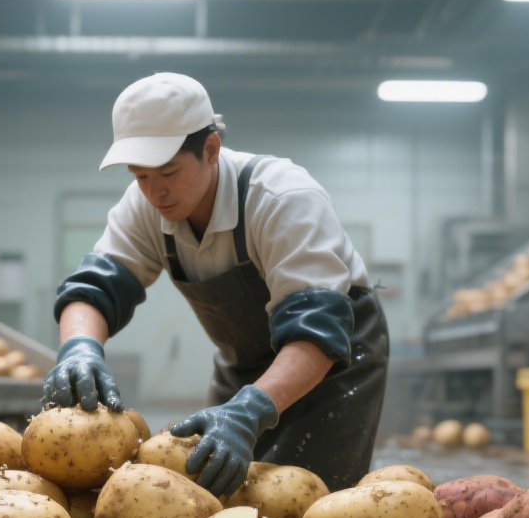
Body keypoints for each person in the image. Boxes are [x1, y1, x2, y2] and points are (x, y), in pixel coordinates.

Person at [44, 73, 389, 495]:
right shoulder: (146, 205)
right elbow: (94, 287)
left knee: (305, 506)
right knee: (214, 493)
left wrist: (249, 411)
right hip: (242, 365)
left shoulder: (281, 198)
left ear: (211, 149)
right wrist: (79, 347)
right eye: (141, 176)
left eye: (168, 172)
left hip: (331, 363)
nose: (155, 192)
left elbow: (315, 331)